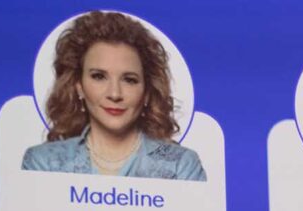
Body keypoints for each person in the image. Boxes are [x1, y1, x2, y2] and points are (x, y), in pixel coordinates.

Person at [21, 11, 205, 181]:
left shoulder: (181, 166)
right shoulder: (42, 164)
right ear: (79, 87)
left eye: (129, 80)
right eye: (99, 77)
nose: (115, 94)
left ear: (147, 92)